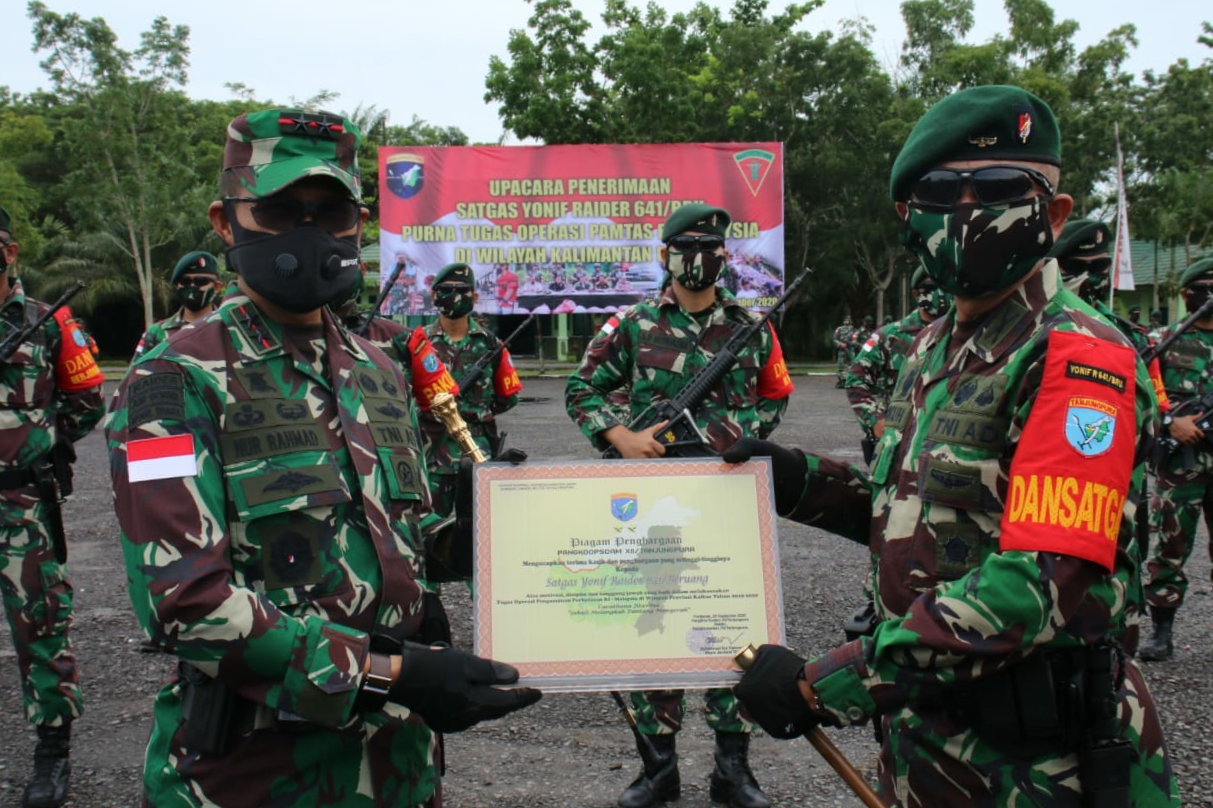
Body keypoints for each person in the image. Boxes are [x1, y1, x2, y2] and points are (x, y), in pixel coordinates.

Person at [725, 86, 1178, 807]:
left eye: (1000, 188)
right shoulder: (935, 347)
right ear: (909, 219)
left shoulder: (1075, 355)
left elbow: (1039, 586)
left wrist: (824, 683)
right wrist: (793, 482)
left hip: (1033, 770)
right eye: (940, 191)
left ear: (1052, 215)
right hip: (927, 749)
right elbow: (924, 512)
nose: (968, 211)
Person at [104, 108, 540, 808]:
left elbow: (406, 540)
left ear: (359, 222)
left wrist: (496, 533)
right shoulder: (172, 381)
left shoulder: (380, 367)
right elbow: (185, 603)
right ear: (226, 221)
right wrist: (391, 674)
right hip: (253, 776)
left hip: (397, 768)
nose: (310, 234)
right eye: (280, 211)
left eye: (332, 212)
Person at [566, 203, 794, 808]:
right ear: (665, 254)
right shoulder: (635, 325)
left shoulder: (750, 327)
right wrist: (621, 437)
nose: (699, 259)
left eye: (710, 247)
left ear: (724, 256)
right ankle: (657, 768)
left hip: (726, 500)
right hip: (652, 503)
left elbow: (777, 394)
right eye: (685, 247)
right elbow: (580, 387)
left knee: (733, 628)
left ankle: (732, 770)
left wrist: (738, 433)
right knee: (652, 628)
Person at [0, 204, 105, 808]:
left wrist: (41, 442)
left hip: (21, 501)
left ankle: (51, 752)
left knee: (39, 625)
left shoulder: (49, 322)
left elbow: (88, 398)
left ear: (9, 253)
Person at [1139, 255, 1213, 662]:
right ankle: (1161, 632)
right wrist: (1170, 422)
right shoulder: (1163, 341)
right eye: (1204, 288)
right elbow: (1144, 394)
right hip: (1181, 464)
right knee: (1170, 543)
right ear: (1188, 294)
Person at [417, 263, 522, 517]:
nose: (454, 296)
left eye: (462, 290)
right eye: (446, 290)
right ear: (434, 296)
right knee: (428, 531)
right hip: (432, 454)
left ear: (474, 297)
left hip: (478, 453)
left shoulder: (490, 345)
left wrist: (475, 412)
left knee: (482, 529)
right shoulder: (418, 343)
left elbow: (508, 397)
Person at [845, 266, 951, 464]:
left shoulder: (961, 334)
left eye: (946, 286)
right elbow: (855, 377)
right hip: (899, 442)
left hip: (945, 444)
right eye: (931, 287)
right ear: (915, 294)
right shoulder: (889, 336)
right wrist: (874, 419)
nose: (940, 293)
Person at [133, 250, 222, 358]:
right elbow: (137, 372)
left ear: (217, 287)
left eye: (201, 281)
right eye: (185, 281)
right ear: (177, 286)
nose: (192, 286)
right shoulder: (156, 334)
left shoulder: (230, 329)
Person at [831, 315, 854, 388]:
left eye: (848, 319)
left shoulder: (853, 330)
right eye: (846, 319)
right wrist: (840, 344)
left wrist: (853, 344)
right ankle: (842, 381)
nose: (847, 321)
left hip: (850, 350)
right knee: (841, 366)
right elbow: (835, 339)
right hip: (842, 350)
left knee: (852, 366)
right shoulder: (839, 329)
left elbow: (857, 339)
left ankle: (851, 381)